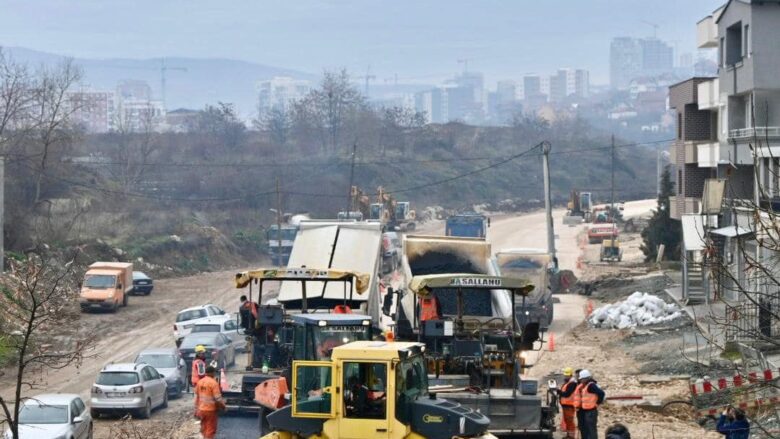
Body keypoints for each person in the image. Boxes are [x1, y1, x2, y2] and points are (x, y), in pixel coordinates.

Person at [194, 366, 225, 439]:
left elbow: (196, 396)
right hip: (210, 411)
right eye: (214, 372)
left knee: (204, 428)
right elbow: (218, 398)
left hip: (201, 410)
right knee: (210, 429)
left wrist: (196, 409)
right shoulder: (213, 383)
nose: (214, 374)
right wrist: (223, 407)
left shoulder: (200, 382)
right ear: (212, 373)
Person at [574, 369, 605, 439]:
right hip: (586, 411)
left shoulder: (591, 386)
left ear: (586, 378)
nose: (580, 380)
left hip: (591, 411)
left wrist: (597, 403)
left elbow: (601, 393)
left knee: (591, 430)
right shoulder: (585, 385)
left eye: (581, 379)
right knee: (586, 429)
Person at [558, 367, 578, 439]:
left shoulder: (572, 383)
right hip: (566, 405)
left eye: (567, 375)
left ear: (570, 375)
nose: (566, 376)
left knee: (569, 420)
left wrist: (558, 392)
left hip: (569, 405)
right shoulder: (567, 383)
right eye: (565, 375)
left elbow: (567, 394)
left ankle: (571, 436)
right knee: (567, 420)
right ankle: (569, 435)